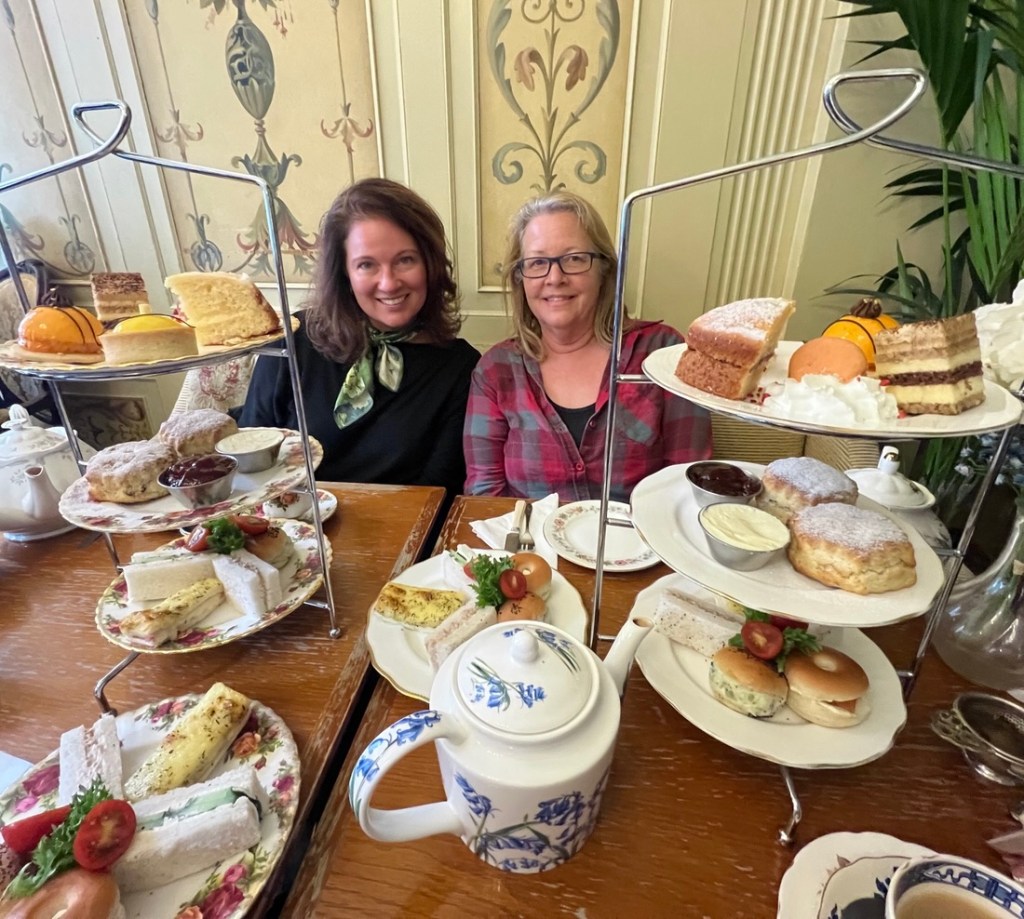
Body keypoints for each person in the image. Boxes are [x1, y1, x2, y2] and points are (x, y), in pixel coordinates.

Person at [463, 191, 711, 502]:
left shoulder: (663, 353)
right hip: (528, 536)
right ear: (520, 278)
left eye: (574, 259)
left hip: (638, 534)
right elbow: (484, 494)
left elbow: (688, 484)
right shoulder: (495, 370)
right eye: (537, 262)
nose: (555, 278)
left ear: (604, 269)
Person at [238, 178, 479, 495]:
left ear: (429, 265)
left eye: (405, 260)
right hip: (292, 520)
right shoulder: (292, 340)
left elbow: (439, 491)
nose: (389, 283)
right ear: (344, 274)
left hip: (400, 524)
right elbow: (252, 460)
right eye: (367, 265)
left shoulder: (460, 368)